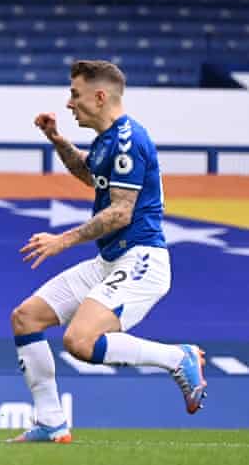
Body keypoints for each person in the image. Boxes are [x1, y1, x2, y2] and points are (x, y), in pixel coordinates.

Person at [11, 60, 207, 443]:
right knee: (26, 318)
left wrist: (61, 241)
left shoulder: (129, 140)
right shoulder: (107, 139)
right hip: (111, 260)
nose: (69, 104)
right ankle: (51, 422)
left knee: (79, 341)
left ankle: (177, 357)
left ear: (99, 97)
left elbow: (120, 212)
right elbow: (91, 174)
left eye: (75, 94)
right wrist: (58, 140)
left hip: (142, 260)